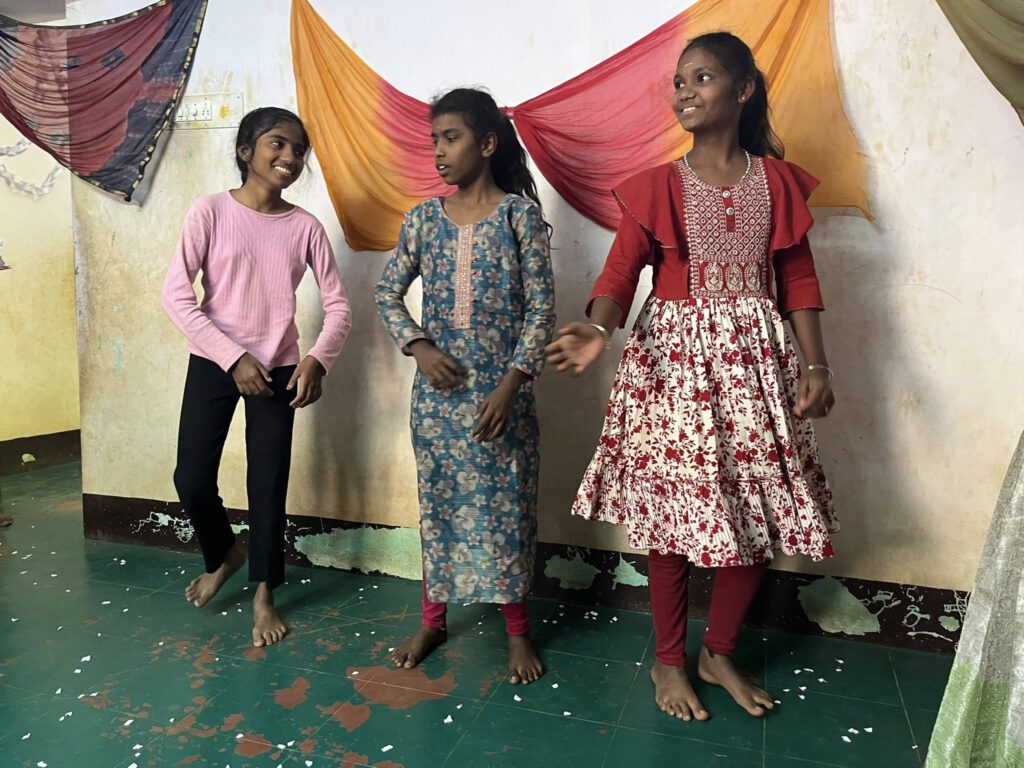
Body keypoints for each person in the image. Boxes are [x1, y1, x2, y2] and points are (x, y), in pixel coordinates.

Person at [546, 32, 838, 720]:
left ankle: (719, 651)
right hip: (672, 367)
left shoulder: (777, 183)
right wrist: (598, 328)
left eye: (702, 78)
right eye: (679, 81)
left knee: (760, 508)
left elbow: (797, 279)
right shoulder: (659, 186)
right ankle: (670, 659)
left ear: (743, 90)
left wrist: (817, 364)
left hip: (755, 367)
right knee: (671, 516)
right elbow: (621, 272)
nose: (684, 91)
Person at [375, 88, 555, 685]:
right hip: (437, 403)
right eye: (434, 140)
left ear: (487, 143)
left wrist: (513, 383)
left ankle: (518, 631)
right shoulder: (423, 220)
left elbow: (541, 310)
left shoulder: (518, 217)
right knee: (441, 507)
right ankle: (433, 620)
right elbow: (386, 291)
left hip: (503, 400)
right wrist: (419, 346)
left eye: (450, 138)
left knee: (507, 510)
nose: (439, 152)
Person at [161, 107, 351, 647]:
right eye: (277, 144)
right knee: (190, 479)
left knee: (267, 484)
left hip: (279, 368)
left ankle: (265, 593)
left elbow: (339, 306)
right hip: (215, 360)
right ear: (246, 151)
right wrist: (232, 358)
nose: (290, 156)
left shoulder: (305, 227)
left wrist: (317, 359)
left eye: (299, 150)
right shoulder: (210, 212)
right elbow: (176, 296)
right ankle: (225, 553)